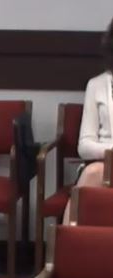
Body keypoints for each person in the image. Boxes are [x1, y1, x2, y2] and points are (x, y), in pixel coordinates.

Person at [63, 17, 113, 223]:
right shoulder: (96, 85)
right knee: (94, 173)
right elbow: (84, 146)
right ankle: (68, 242)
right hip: (104, 164)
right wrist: (110, 153)